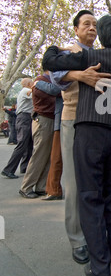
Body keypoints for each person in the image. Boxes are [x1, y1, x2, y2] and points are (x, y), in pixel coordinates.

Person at [42, 14, 111, 276]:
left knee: (89, 196)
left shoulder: (89, 57)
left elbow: (49, 62)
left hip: (91, 133)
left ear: (99, 33)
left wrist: (59, 48)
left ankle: (100, 267)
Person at [48, 10, 107, 264]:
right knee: (73, 183)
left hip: (98, 123)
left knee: (97, 181)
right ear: (76, 28)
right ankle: (77, 239)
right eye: (86, 24)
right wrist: (80, 75)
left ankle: (95, 231)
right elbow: (55, 77)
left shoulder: (103, 55)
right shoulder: (66, 52)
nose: (92, 28)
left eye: (95, 24)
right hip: (73, 120)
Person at [19, 70, 61, 199]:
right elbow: (54, 94)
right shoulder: (41, 81)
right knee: (39, 154)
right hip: (43, 119)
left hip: (48, 119)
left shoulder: (45, 81)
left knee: (47, 156)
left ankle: (41, 186)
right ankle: (26, 187)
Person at [33, 79, 64, 201]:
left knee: (56, 157)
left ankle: (54, 190)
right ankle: (52, 189)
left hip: (63, 118)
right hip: (62, 117)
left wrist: (37, 83)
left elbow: (55, 89)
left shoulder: (63, 74)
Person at [1, 78, 34, 179]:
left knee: (28, 144)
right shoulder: (25, 91)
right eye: (32, 82)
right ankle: (8, 170)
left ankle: (24, 167)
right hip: (24, 118)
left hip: (26, 118)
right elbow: (35, 96)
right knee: (22, 144)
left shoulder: (25, 91)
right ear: (28, 84)